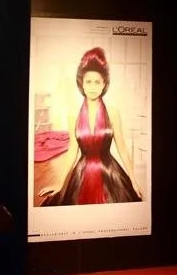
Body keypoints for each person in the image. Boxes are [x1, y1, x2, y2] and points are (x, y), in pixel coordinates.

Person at [38, 47, 143, 206]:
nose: (93, 87)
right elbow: (72, 151)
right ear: (82, 83)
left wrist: (133, 180)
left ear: (104, 84)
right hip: (82, 174)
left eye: (97, 82)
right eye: (88, 82)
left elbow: (122, 148)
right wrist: (60, 183)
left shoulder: (113, 113)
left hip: (109, 173)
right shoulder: (73, 113)